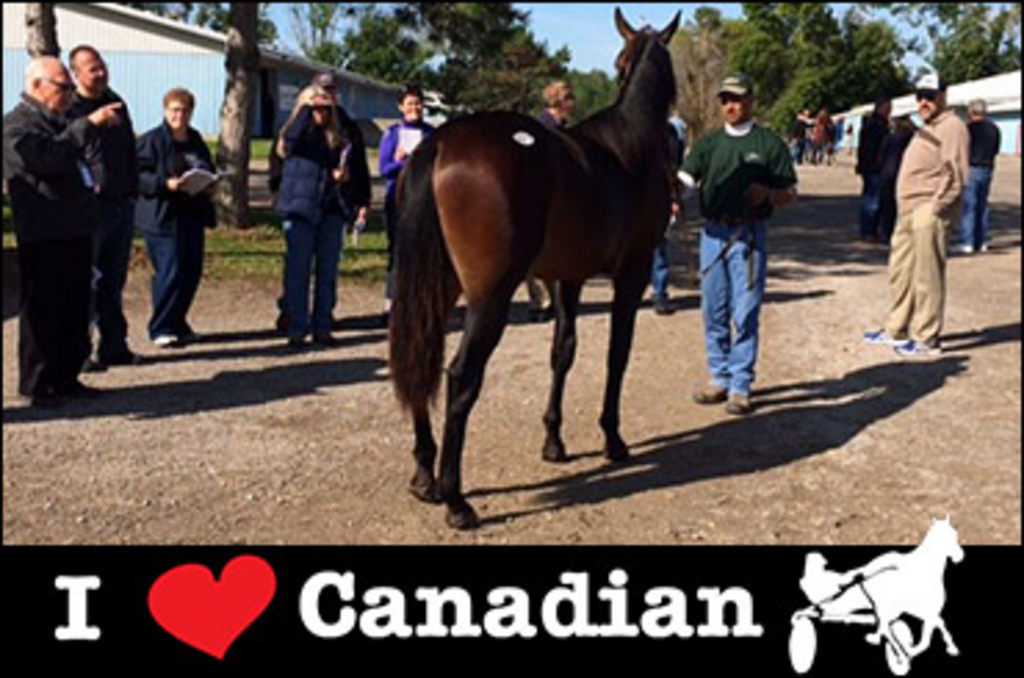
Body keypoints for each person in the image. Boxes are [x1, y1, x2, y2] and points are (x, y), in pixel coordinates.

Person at [3, 56, 123, 407]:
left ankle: (67, 376)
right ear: (37, 86)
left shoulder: (61, 121)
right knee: (44, 310)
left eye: (71, 87)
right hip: (43, 233)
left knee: (74, 306)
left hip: (75, 228)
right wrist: (86, 125)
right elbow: (48, 158)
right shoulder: (16, 127)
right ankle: (38, 383)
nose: (70, 94)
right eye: (64, 87)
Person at [680, 74, 798, 416]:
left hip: (749, 237)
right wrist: (669, 195)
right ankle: (719, 377)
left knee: (745, 312)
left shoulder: (768, 144)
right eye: (726, 100)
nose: (731, 106)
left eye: (738, 99)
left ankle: (740, 385)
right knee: (712, 310)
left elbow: (791, 192)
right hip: (713, 236)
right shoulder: (708, 144)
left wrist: (770, 194)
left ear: (751, 101)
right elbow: (685, 182)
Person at [864, 74, 969, 357]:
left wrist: (935, 207)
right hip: (908, 210)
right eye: (920, 95)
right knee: (901, 272)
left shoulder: (952, 127)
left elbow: (956, 174)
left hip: (928, 212)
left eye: (930, 95)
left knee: (927, 276)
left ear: (943, 96)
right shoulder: (927, 127)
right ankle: (896, 329)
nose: (924, 101)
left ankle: (926, 336)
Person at [271, 72, 370, 333]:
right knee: (298, 271)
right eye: (318, 101)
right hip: (301, 208)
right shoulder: (296, 132)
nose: (322, 107)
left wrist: (359, 196)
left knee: (327, 272)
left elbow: (358, 165)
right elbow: (291, 143)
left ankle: (323, 325)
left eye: (327, 101)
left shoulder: (342, 130)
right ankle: (296, 325)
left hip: (331, 207)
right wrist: (307, 109)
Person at [67, 45, 142, 371]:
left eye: (102, 66)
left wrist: (133, 189)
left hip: (121, 204)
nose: (100, 73)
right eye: (92, 69)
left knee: (113, 280)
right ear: (76, 73)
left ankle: (114, 346)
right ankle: (77, 350)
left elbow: (129, 150)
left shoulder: (116, 102)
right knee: (85, 281)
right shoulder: (70, 108)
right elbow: (65, 147)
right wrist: (92, 122)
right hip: (88, 208)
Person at [135, 88, 216, 348]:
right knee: (170, 272)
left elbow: (206, 168)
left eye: (184, 110)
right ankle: (160, 326)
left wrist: (210, 184)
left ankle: (179, 322)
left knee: (191, 272)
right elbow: (138, 177)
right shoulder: (151, 141)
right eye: (174, 110)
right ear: (165, 111)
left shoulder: (195, 140)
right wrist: (165, 184)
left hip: (192, 215)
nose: (179, 115)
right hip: (162, 217)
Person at [379, 84, 435, 320]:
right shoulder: (393, 134)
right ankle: (391, 303)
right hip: (398, 200)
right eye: (410, 103)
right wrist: (403, 161)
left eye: (418, 103)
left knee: (425, 253)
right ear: (401, 107)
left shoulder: (431, 133)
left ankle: (421, 302)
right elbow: (385, 169)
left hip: (425, 201)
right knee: (398, 253)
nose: (415, 108)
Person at [527, 80, 577, 322]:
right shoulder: (543, 127)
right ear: (561, 101)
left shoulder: (564, 126)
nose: (574, 103)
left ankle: (553, 301)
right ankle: (539, 302)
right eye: (570, 98)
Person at [955, 99, 1002, 254]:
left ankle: (967, 241)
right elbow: (996, 149)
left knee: (969, 206)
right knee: (982, 206)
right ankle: (981, 241)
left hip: (972, 167)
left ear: (971, 112)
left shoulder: (968, 129)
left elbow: (962, 149)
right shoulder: (994, 129)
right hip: (988, 167)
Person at [651, 115, 687, 316]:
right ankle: (658, 292)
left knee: (659, 245)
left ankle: (659, 292)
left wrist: (674, 198)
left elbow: (672, 168)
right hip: (645, 197)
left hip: (658, 196)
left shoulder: (670, 133)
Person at [856, 98, 892, 243]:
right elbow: (875, 148)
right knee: (873, 200)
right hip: (874, 167)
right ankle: (869, 231)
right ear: (881, 107)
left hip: (869, 166)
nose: (890, 111)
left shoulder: (870, 124)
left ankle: (868, 230)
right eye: (888, 107)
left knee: (869, 198)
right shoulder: (878, 125)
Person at [877, 115, 917, 243]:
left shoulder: (890, 137)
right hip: (904, 173)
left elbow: (881, 154)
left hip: (887, 173)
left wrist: (880, 168)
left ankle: (885, 232)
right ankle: (904, 233)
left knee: (887, 205)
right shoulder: (912, 138)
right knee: (904, 205)